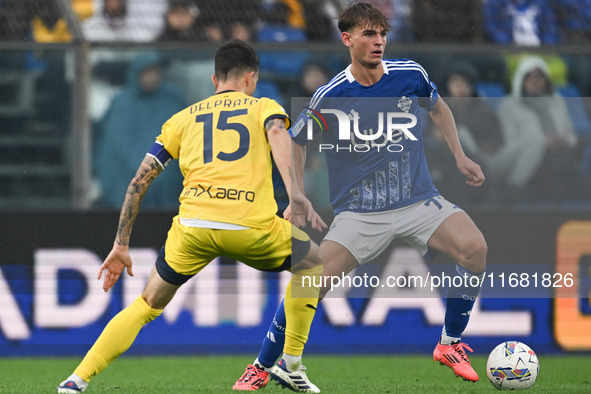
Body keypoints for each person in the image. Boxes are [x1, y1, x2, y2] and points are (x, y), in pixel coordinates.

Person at [234, 2, 487, 390]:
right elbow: (298, 142)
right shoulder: (330, 94)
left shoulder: (410, 75)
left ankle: (449, 344)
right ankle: (263, 366)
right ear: (347, 39)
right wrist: (297, 193)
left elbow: (438, 109)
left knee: (475, 247)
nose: (378, 41)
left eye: (382, 34)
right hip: (360, 213)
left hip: (417, 200)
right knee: (309, 282)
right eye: (369, 34)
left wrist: (460, 155)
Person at [56, 39, 323, 393]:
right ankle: (289, 363)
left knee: (147, 304)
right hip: (250, 225)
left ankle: (77, 379)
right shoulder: (263, 107)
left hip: (194, 228)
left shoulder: (181, 118)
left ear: (215, 80)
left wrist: (121, 243)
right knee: (314, 262)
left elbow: (139, 181)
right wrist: (295, 193)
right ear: (251, 78)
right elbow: (277, 132)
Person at [94, 51, 186, 209]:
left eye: (155, 71)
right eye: (146, 72)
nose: (152, 77)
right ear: (136, 73)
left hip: (166, 185)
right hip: (127, 181)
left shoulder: (173, 99)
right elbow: (112, 146)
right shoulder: (122, 102)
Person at [498, 55, 591, 201]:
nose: (534, 80)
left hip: (563, 156)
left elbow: (571, 134)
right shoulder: (510, 105)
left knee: (584, 189)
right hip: (533, 162)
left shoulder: (556, 101)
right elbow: (509, 142)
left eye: (539, 76)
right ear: (521, 78)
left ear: (545, 80)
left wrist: (564, 140)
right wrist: (542, 142)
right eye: (529, 76)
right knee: (555, 191)